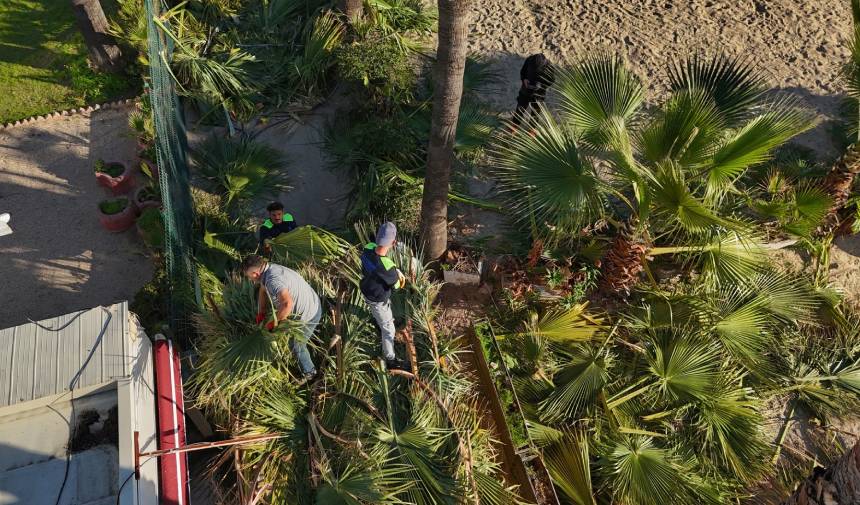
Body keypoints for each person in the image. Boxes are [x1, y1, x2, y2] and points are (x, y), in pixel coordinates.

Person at [242, 254, 319, 379]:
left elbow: (287, 304)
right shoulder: (268, 269)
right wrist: (261, 312)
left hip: (309, 314)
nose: (250, 280)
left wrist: (273, 324)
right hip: (312, 300)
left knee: (295, 345)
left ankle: (310, 373)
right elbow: (263, 290)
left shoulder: (273, 280)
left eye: (249, 277)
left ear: (255, 274)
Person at [359, 222, 410, 371]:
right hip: (378, 300)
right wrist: (400, 276)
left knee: (377, 314)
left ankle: (377, 321)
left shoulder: (367, 249)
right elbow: (396, 286)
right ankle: (391, 360)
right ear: (393, 243)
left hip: (367, 289)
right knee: (389, 330)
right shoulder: (389, 268)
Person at [511, 53, 555, 127]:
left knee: (535, 111)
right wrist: (524, 79)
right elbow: (523, 72)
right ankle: (515, 125)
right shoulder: (529, 60)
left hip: (539, 93)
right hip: (526, 89)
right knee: (520, 108)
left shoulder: (549, 66)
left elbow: (551, 80)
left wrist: (541, 85)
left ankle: (532, 128)